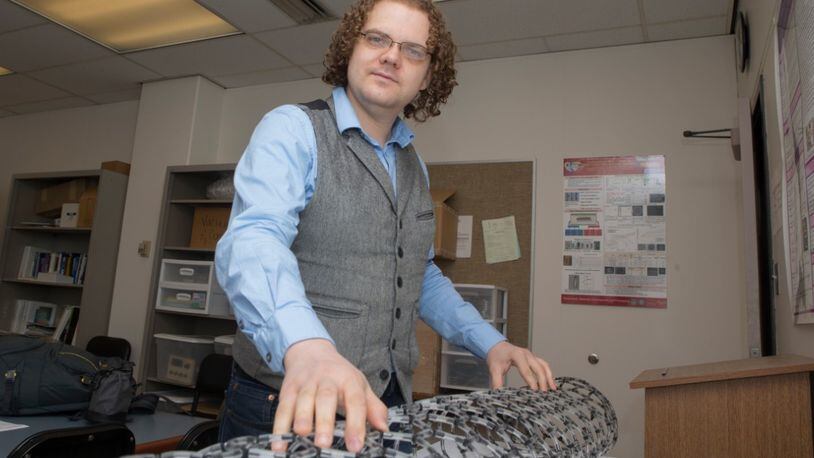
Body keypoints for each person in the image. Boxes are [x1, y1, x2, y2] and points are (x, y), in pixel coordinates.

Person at [214, 0, 556, 452]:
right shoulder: (292, 129)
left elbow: (421, 275)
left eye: (413, 50)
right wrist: (307, 347)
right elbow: (253, 240)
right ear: (350, 48)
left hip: (387, 403)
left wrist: (491, 344)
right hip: (285, 399)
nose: (392, 56)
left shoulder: (415, 167)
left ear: (427, 76)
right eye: (377, 38)